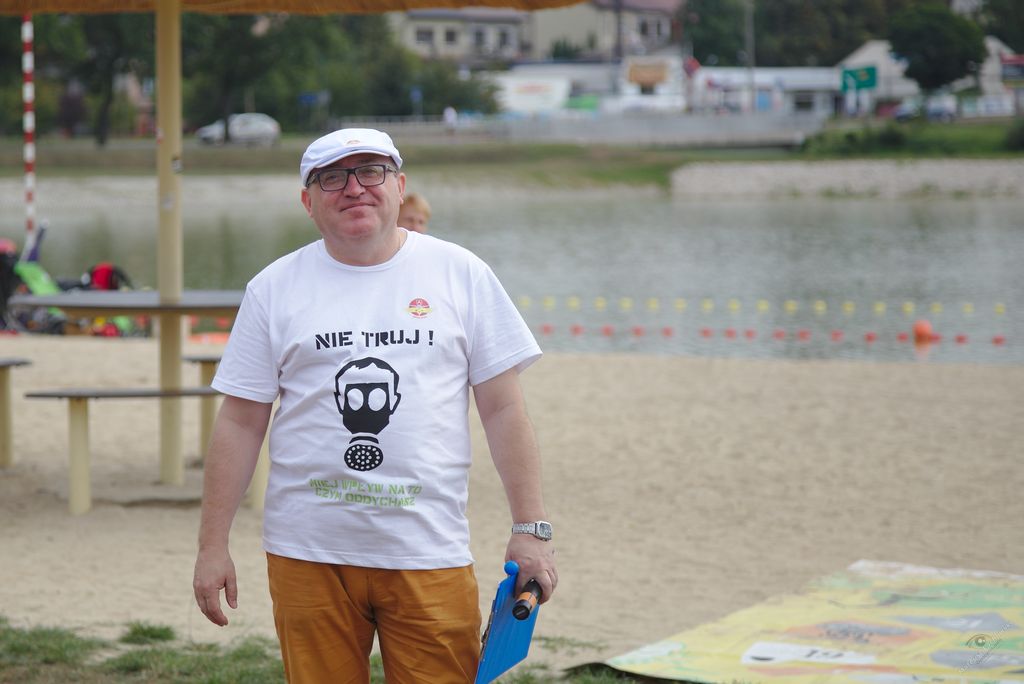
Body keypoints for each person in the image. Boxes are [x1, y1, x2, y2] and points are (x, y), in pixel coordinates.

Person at [192, 127, 557, 683]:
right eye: (332, 178)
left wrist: (531, 528)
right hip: (307, 553)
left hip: (427, 548)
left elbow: (504, 410)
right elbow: (241, 423)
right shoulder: (273, 287)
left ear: (399, 186)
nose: (354, 187)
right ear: (308, 201)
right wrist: (211, 545)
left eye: (371, 172)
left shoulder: (461, 274)